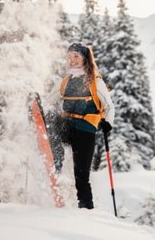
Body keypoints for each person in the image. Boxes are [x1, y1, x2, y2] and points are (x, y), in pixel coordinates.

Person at [46, 42, 115, 209]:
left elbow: (109, 106)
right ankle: (56, 161)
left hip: (85, 130)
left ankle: (86, 208)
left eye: (76, 56)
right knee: (51, 120)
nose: (72, 59)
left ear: (85, 59)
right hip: (67, 125)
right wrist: (37, 108)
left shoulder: (94, 82)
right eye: (69, 56)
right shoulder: (65, 82)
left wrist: (107, 123)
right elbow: (48, 102)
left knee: (81, 175)